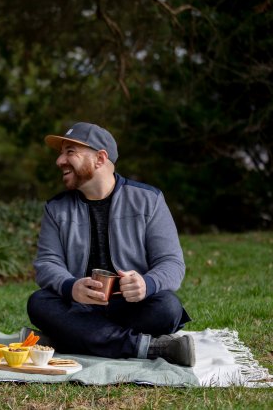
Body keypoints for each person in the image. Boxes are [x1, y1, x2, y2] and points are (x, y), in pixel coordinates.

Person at [25, 122, 194, 367]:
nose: (60, 160)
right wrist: (71, 287)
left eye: (70, 152)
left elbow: (172, 263)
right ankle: (147, 348)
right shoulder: (56, 207)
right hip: (80, 307)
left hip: (134, 308)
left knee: (167, 307)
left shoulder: (149, 199)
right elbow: (47, 263)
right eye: (61, 153)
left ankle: (66, 338)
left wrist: (146, 284)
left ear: (100, 158)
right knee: (39, 302)